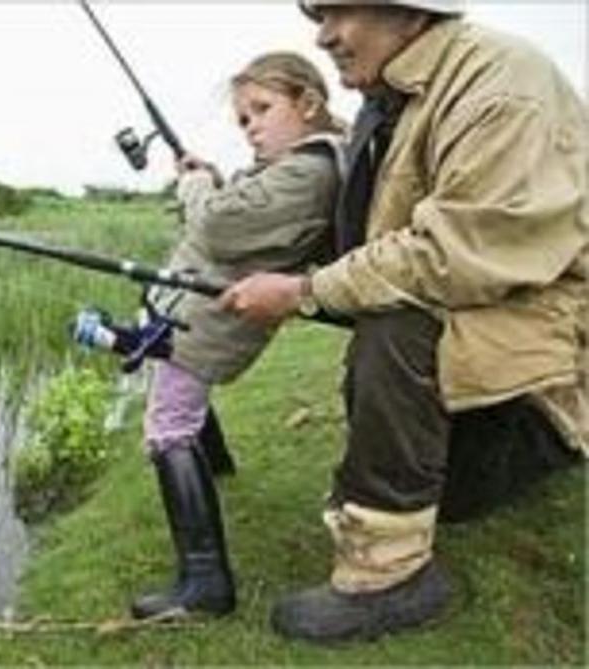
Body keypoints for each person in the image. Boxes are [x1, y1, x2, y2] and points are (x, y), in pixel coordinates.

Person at [218, 0, 588, 642]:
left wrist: (304, 291)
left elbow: (455, 252)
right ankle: (414, 499)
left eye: (339, 12)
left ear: (409, 13)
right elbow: (372, 240)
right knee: (456, 498)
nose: (324, 35)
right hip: (488, 365)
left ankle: (388, 577)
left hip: (542, 390)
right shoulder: (392, 100)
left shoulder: (501, 84)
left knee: (396, 322)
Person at [130, 51, 346, 620]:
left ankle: (205, 585)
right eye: (242, 118)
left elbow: (221, 224)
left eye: (261, 109)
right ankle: (216, 467)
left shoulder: (311, 169)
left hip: (206, 322)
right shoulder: (303, 165)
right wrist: (216, 179)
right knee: (178, 401)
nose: (250, 125)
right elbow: (251, 214)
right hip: (191, 314)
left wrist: (197, 186)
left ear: (309, 102)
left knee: (168, 426)